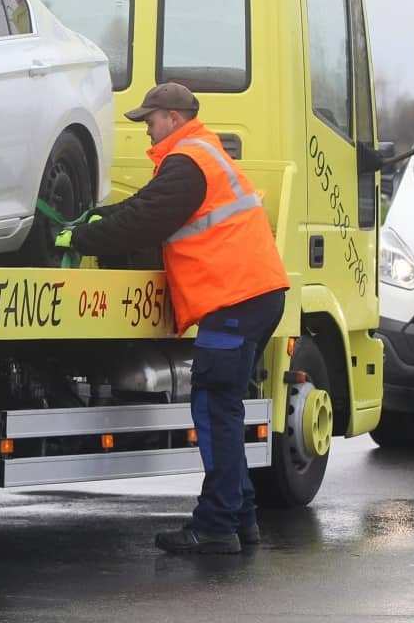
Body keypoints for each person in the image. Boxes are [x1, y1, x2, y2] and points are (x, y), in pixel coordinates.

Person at [58, 82, 290, 555]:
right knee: (225, 410)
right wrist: (97, 218)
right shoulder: (197, 156)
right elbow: (142, 206)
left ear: (174, 118)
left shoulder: (188, 162)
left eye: (150, 119)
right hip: (254, 296)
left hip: (235, 300)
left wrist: (83, 240)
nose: (145, 129)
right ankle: (240, 517)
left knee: (213, 410)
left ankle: (216, 525)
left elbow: (145, 220)